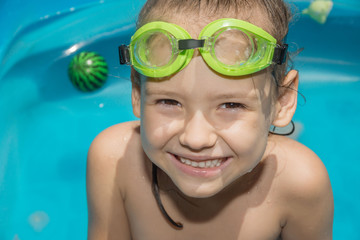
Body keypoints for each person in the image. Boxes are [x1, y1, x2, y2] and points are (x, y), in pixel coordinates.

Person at [86, 0, 334, 239]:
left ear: (281, 102)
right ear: (138, 92)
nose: (196, 139)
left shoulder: (300, 183)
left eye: (231, 105)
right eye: (169, 102)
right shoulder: (114, 161)